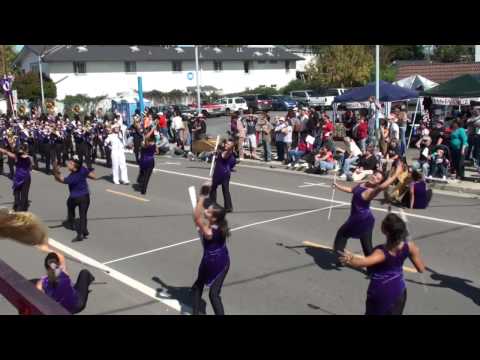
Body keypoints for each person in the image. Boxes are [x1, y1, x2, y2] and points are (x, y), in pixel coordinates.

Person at [339, 213, 426, 315]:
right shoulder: (410, 247)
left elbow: (362, 263)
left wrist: (350, 258)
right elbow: (421, 269)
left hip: (380, 291)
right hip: (399, 290)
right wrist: (416, 251)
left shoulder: (381, 252)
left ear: (385, 231)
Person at [332, 164, 404, 265]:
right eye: (375, 175)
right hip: (365, 220)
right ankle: (374, 267)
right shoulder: (363, 184)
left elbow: (383, 186)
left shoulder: (371, 191)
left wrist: (396, 173)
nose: (375, 178)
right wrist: (337, 185)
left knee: (341, 235)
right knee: (367, 246)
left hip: (359, 220)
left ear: (379, 182)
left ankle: (341, 258)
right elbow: (351, 190)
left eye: (378, 178)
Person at [191, 191, 230, 315]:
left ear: (213, 218)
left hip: (214, 263)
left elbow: (197, 217)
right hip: (223, 261)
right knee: (203, 288)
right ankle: (195, 311)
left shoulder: (209, 232)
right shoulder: (219, 223)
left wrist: (201, 198)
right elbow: (204, 210)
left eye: (208, 211)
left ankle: (196, 312)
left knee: (212, 294)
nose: (206, 210)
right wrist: (203, 196)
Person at [53, 159, 96, 242]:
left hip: (75, 198)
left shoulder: (72, 178)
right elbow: (94, 176)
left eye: (70, 164)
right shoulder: (83, 169)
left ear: (74, 167)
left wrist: (55, 170)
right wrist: (89, 171)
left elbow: (59, 179)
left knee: (70, 205)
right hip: (85, 197)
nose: (68, 164)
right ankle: (83, 231)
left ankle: (72, 222)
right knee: (83, 215)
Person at [0, 144, 32, 212]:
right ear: (26, 150)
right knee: (24, 194)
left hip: (18, 177)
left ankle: (17, 207)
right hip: (26, 177)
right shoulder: (28, 158)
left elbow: (6, 152)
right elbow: (30, 167)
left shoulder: (16, 157)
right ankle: (22, 209)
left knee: (17, 193)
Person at [210, 139, 236, 213]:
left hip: (220, 173)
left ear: (231, 147)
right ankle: (228, 207)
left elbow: (226, 154)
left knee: (213, 188)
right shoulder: (223, 152)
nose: (226, 145)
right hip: (226, 173)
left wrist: (218, 152)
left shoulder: (228, 153)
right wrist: (215, 153)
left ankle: (213, 205)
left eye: (228, 144)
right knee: (225, 189)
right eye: (226, 144)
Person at [136, 128, 156, 195]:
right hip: (150, 160)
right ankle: (143, 190)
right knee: (147, 176)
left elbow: (141, 149)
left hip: (144, 160)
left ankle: (140, 181)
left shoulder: (144, 144)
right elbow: (157, 151)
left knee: (143, 173)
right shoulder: (153, 144)